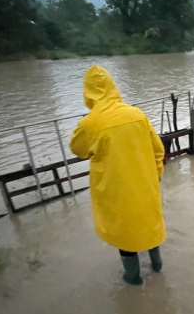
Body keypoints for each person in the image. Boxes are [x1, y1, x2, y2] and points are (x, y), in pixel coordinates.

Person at [70, 66, 166, 285]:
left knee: (125, 231)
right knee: (149, 222)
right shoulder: (136, 114)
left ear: (88, 91)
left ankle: (133, 277)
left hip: (116, 190)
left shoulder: (90, 123)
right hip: (144, 184)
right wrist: (157, 172)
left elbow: (78, 149)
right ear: (113, 86)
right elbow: (157, 148)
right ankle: (157, 265)